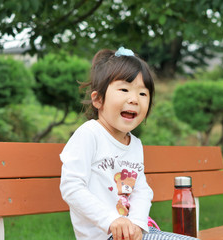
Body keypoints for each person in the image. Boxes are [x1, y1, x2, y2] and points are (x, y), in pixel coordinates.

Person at [60, 47, 199, 240]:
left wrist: (137, 224)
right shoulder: (89, 134)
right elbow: (72, 186)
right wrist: (111, 220)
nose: (134, 99)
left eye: (143, 94)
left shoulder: (134, 145)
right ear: (98, 99)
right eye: (124, 90)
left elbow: (141, 190)